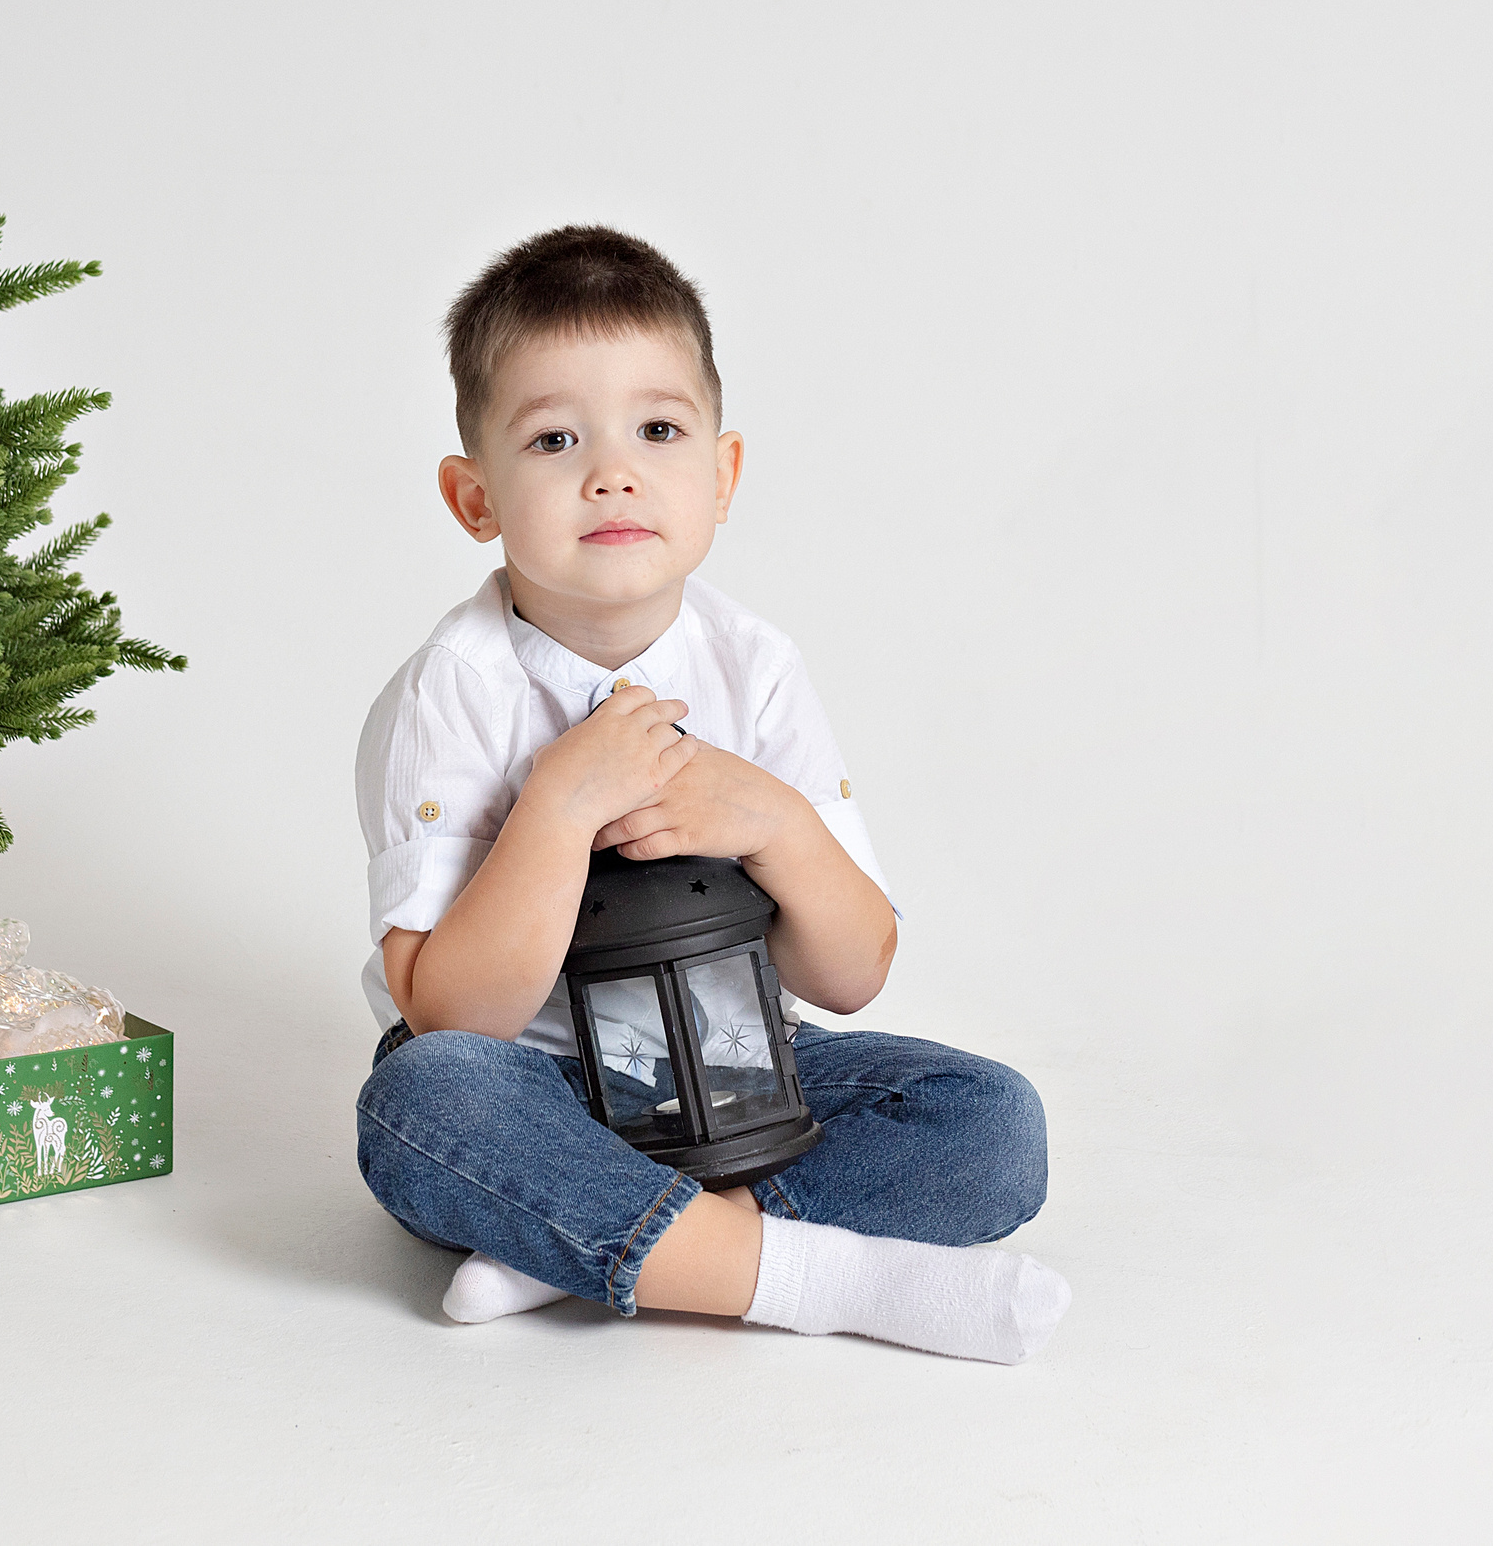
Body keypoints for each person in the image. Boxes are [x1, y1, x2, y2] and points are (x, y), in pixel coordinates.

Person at [352, 227, 1071, 1361]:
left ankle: (619, 1241)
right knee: (423, 1104)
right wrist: (556, 808)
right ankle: (817, 1278)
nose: (611, 472)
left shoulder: (755, 665)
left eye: (658, 429)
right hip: (531, 1078)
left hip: (737, 1073)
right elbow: (454, 1014)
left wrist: (776, 823)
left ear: (722, 474)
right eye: (552, 438)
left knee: (990, 1123)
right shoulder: (453, 689)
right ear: (473, 495)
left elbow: (850, 975)